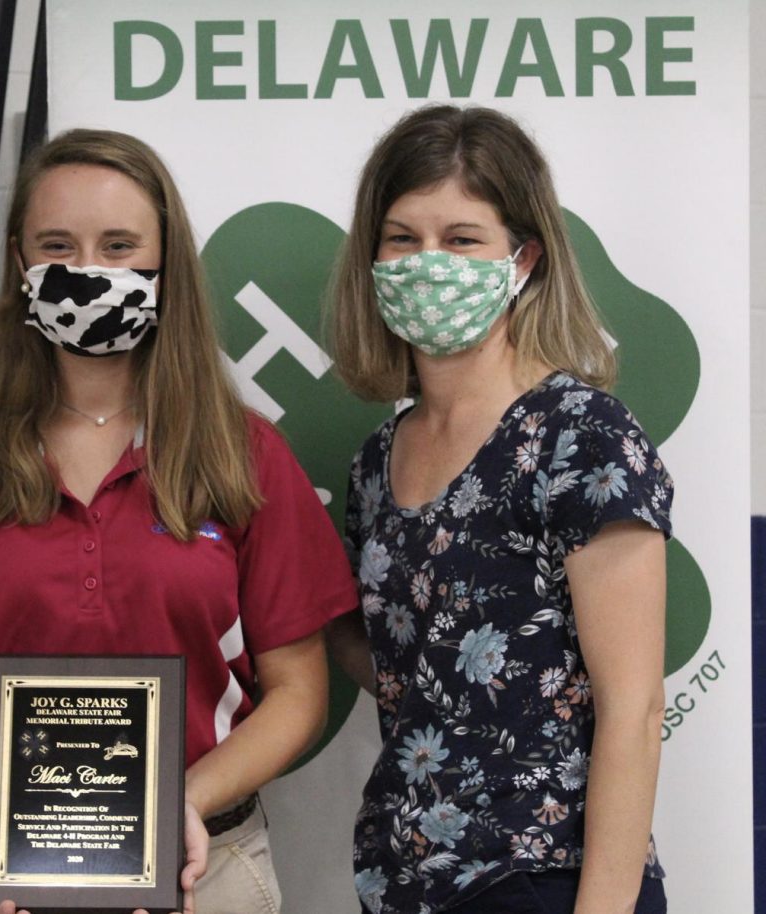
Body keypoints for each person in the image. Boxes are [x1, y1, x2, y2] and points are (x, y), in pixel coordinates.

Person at [0, 128, 358, 914]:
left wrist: (177, 806)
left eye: (119, 245)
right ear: (20, 265)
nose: (88, 270)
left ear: (165, 264)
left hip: (205, 868)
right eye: (58, 245)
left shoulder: (242, 454)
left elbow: (299, 691)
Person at [325, 104, 672, 914]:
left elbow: (635, 705)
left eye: (461, 238)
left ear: (524, 259)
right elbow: (406, 667)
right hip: (407, 878)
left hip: (546, 878)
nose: (425, 261)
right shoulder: (377, 461)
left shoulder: (582, 437)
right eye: (402, 238)